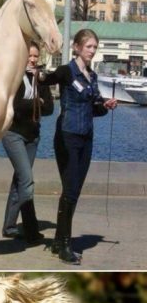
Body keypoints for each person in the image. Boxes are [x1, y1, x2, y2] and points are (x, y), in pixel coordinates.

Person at [41, 29, 117, 265]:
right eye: (88, 47)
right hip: (67, 136)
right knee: (70, 190)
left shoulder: (91, 77)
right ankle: (64, 245)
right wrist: (37, 72)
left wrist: (105, 105)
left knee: (74, 192)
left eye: (95, 47)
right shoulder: (66, 71)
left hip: (86, 138)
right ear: (76, 47)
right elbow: (47, 79)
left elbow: (94, 108)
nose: (92, 51)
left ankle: (57, 241)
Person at [2, 41, 53, 244]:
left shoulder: (40, 79)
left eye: (35, 57)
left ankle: (9, 226)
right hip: (13, 134)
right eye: (29, 56)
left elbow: (49, 108)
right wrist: (36, 102)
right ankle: (31, 230)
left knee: (20, 181)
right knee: (27, 181)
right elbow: (14, 105)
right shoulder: (14, 78)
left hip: (33, 136)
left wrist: (38, 101)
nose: (32, 60)